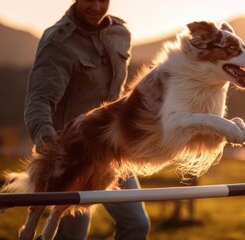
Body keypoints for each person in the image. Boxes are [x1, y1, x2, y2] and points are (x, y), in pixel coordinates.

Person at [24, 0, 150, 239]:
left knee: (137, 224)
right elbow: (39, 99)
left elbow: (119, 95)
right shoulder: (57, 42)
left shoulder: (120, 33)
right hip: (74, 153)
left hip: (112, 147)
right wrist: (48, 147)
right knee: (72, 236)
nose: (96, 6)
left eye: (103, 0)